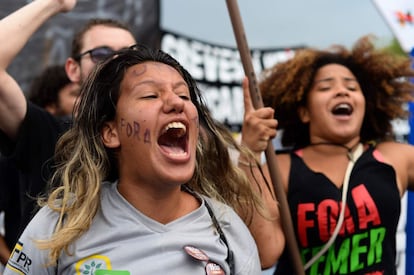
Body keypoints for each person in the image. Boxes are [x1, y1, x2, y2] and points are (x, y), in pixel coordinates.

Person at [3, 44, 262, 274]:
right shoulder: (62, 222)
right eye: (150, 95)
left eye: (183, 95)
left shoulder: (225, 228)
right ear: (111, 133)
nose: (176, 103)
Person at [239, 36, 414, 274]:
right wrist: (248, 154)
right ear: (304, 112)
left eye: (351, 87)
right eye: (325, 87)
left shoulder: (395, 158)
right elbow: (265, 254)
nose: (342, 91)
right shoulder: (280, 168)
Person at [0, 0, 137, 254]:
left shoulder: (162, 142)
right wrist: (55, 3)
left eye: (130, 55)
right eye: (102, 54)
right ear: (73, 70)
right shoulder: (50, 134)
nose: (118, 63)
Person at [0, 64, 78, 263]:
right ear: (51, 105)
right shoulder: (18, 154)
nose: (83, 102)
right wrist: (16, 264)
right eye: (75, 94)